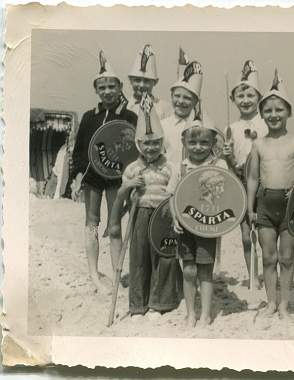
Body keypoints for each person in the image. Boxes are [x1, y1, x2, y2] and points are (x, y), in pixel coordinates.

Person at [109, 96, 182, 319]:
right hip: (139, 212)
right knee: (139, 258)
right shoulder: (132, 168)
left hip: (164, 213)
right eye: (146, 143)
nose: (151, 148)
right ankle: (138, 304)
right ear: (139, 144)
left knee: (164, 255)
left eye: (156, 143)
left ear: (162, 143)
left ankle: (160, 302)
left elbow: (174, 190)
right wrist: (130, 186)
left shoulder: (170, 167)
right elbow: (122, 193)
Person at [247, 70, 294, 320]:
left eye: (279, 110)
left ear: (289, 112)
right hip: (265, 205)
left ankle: (285, 303)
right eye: (268, 111)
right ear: (262, 114)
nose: (273, 115)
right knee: (268, 257)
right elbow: (253, 178)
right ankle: (271, 302)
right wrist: (250, 208)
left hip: (290, 207)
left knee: (286, 257)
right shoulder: (258, 144)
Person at [71, 50, 137, 293]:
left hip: (116, 180)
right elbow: (78, 151)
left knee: (115, 226)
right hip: (91, 180)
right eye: (102, 87)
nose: (107, 91)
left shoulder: (130, 116)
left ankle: (117, 273)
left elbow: (133, 150)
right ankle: (94, 274)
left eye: (112, 86)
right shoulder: (89, 117)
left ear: (120, 87)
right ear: (96, 90)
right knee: (91, 224)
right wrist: (77, 175)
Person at [171, 112, 228, 328]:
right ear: (184, 142)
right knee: (188, 269)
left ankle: (205, 314)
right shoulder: (180, 167)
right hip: (185, 226)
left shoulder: (219, 164)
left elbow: (228, 194)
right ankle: (190, 312)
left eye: (204, 142)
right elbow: (172, 195)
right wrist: (175, 216)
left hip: (207, 227)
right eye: (192, 142)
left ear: (213, 142)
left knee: (205, 270)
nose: (198, 147)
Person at [223, 60, 267, 288]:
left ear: (259, 96)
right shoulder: (230, 127)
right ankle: (253, 277)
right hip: (241, 182)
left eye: (250, 95)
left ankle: (270, 275)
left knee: (267, 234)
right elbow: (230, 165)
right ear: (233, 100)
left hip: (266, 182)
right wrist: (228, 156)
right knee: (246, 234)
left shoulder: (266, 121)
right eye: (240, 96)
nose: (246, 100)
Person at [161, 52, 215, 166]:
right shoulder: (162, 125)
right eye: (177, 96)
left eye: (187, 98)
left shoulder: (202, 126)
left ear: (195, 101)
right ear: (171, 96)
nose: (180, 101)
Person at [128, 44, 172, 120]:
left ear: (155, 82)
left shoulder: (165, 108)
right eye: (137, 80)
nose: (141, 85)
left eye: (147, 81)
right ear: (130, 80)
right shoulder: (125, 106)